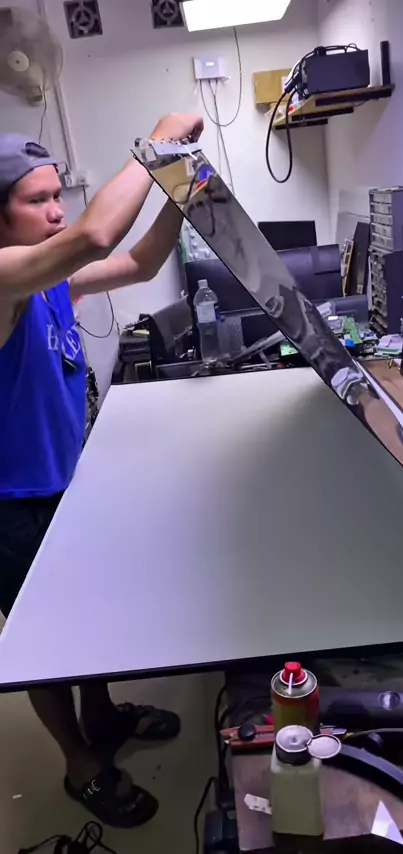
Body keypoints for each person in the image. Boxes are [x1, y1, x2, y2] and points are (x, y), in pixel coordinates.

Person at [0, 113, 203, 828]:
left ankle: (104, 715)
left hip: (63, 482)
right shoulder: (5, 278)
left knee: (83, 616)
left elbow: (138, 263)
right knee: (44, 638)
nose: (57, 210)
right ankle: (79, 763)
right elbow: (96, 236)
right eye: (38, 200)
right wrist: (157, 144)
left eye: (58, 194)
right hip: (14, 503)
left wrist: (181, 195)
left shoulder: (51, 276)